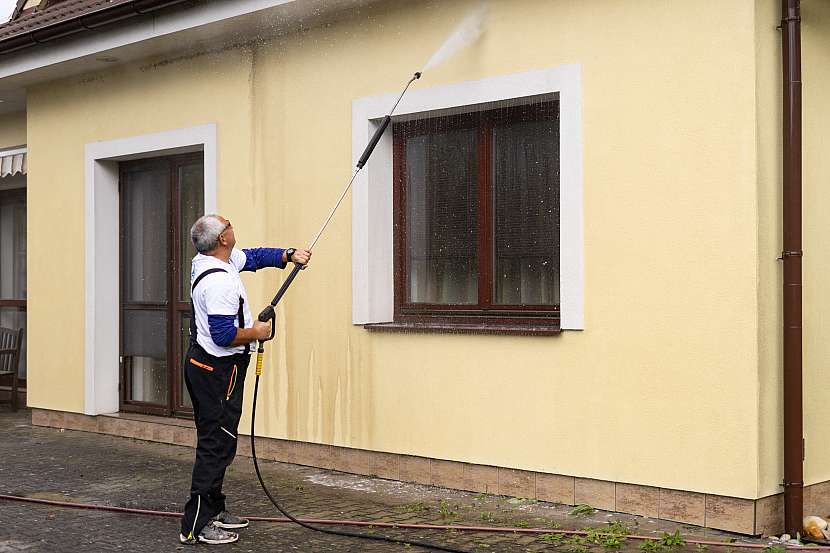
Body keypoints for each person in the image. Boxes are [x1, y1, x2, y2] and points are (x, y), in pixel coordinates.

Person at [179, 214, 310, 545]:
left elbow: (252, 258)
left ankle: (214, 508)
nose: (232, 226)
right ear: (223, 239)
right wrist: (258, 332)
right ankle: (196, 523)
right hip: (216, 371)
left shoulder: (210, 260)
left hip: (210, 367)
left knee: (222, 440)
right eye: (229, 225)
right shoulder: (218, 282)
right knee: (215, 443)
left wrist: (287, 255)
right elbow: (224, 335)